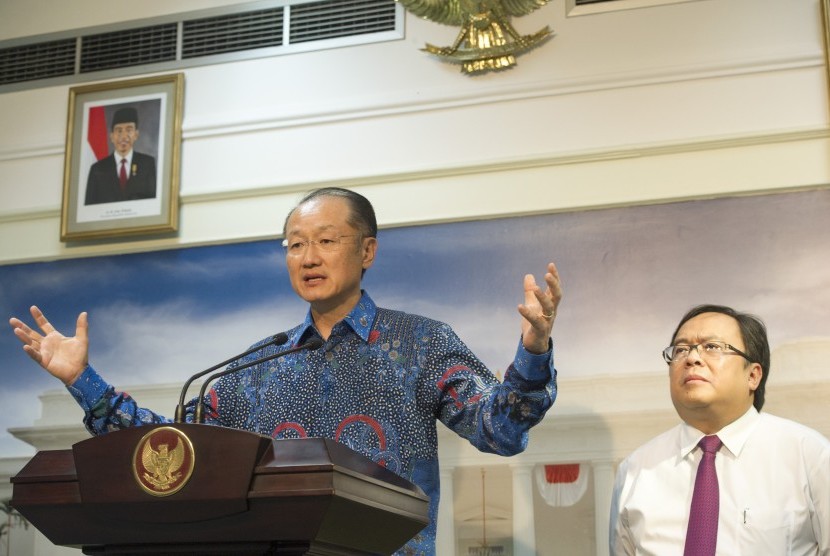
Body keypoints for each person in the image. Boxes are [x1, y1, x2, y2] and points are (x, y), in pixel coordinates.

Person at [10, 187, 563, 555]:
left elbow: (502, 430)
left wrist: (534, 347)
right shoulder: (251, 369)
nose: (308, 257)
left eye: (326, 241)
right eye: (295, 245)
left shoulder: (421, 344)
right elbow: (170, 454)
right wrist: (83, 380)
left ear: (367, 250)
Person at [609, 304, 830, 555]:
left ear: (753, 376)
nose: (692, 358)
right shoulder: (636, 470)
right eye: (681, 349)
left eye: (712, 347)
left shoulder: (810, 456)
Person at [85, 106, 157, 205]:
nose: (123, 136)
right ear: (112, 136)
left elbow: (154, 203)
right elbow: (90, 208)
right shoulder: (97, 169)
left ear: (136, 134)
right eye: (119, 131)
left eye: (129, 130)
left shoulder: (147, 164)